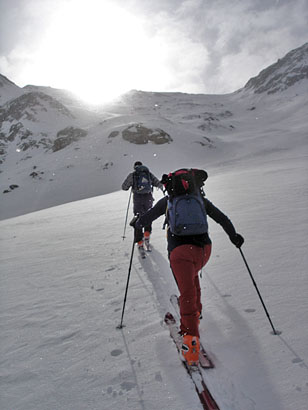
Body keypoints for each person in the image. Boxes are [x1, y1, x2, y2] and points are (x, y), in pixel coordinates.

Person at [131, 168, 244, 366]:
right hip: (204, 251)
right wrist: (234, 237)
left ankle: (190, 344)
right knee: (192, 280)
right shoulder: (199, 199)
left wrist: (137, 222)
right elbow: (222, 218)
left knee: (186, 294)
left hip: (180, 252)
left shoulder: (169, 201)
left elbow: (147, 217)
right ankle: (196, 315)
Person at [122, 161, 163, 252]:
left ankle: (140, 243)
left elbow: (124, 187)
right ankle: (147, 237)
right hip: (148, 197)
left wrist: (132, 186)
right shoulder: (148, 174)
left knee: (138, 219)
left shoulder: (133, 175)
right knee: (148, 217)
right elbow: (157, 183)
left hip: (138, 199)